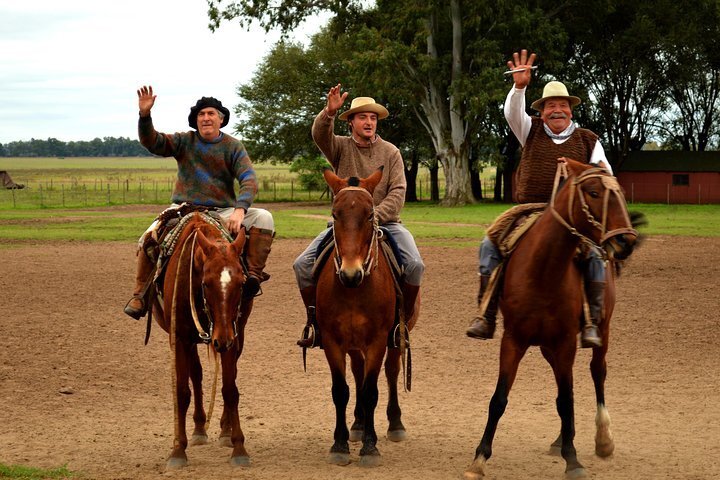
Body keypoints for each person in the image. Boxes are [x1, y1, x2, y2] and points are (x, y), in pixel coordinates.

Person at [466, 50, 613, 348]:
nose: (557, 110)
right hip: (530, 210)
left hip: (574, 216)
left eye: (562, 105)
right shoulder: (529, 129)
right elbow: (512, 113)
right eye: (550, 106)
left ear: (571, 110)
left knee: (596, 254)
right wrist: (519, 87)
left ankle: (592, 321)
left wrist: (576, 169)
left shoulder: (588, 139)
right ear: (542, 110)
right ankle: (486, 314)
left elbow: (605, 175)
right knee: (490, 244)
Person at [124, 85, 274, 320]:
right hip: (184, 209)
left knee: (264, 217)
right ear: (195, 120)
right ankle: (140, 294)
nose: (205, 118)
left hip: (222, 211)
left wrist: (240, 209)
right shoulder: (185, 141)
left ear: (221, 119)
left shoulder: (233, 147)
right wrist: (145, 116)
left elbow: (249, 178)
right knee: (148, 236)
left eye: (211, 114)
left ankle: (252, 276)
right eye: (201, 115)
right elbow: (153, 142)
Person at [294, 84, 425, 348]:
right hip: (345, 226)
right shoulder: (339, 147)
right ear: (351, 122)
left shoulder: (391, 153)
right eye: (363, 117)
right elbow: (320, 135)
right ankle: (315, 323)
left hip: (386, 223)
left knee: (415, 265)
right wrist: (328, 114)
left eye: (373, 118)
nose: (369, 122)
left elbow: (398, 191)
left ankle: (401, 324)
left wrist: (374, 217)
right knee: (302, 265)